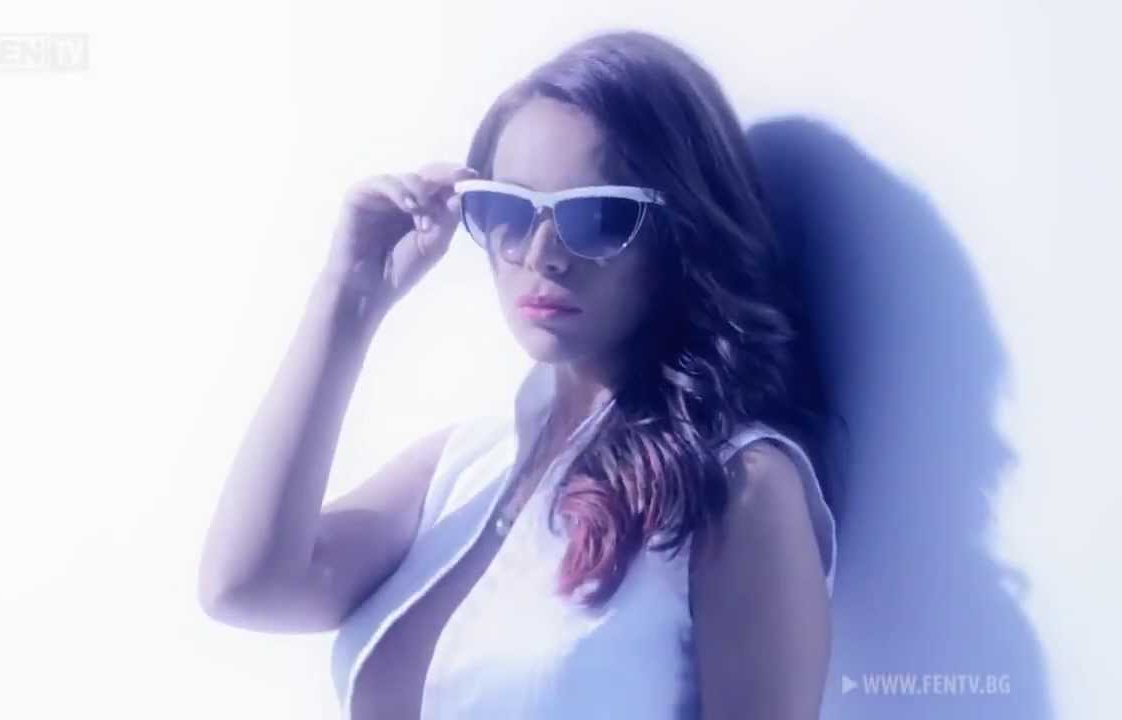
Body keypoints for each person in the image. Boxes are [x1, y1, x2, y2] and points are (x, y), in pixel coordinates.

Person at [198, 28, 840, 720]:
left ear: (681, 233)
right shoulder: (462, 466)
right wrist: (349, 301)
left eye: (598, 216)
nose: (542, 254)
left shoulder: (739, 487)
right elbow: (246, 587)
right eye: (507, 210)